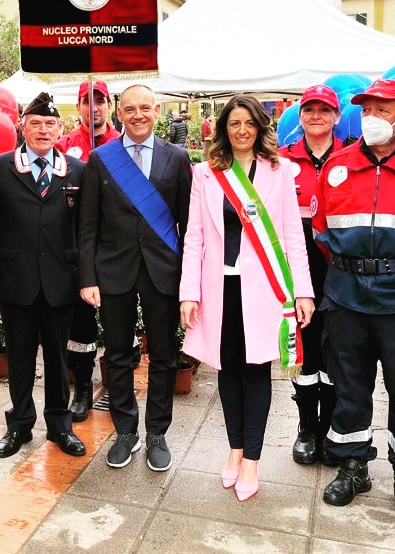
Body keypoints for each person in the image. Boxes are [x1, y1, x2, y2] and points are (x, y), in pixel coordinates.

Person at [313, 78, 395, 525]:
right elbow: (324, 232)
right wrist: (355, 272)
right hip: (347, 298)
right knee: (349, 389)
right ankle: (353, 466)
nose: (372, 118)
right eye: (366, 110)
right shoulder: (336, 167)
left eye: (382, 110)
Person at [180, 94, 314, 502]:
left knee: (256, 369)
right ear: (223, 129)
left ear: (260, 128)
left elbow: (293, 235)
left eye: (249, 124)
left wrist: (303, 291)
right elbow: (195, 237)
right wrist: (189, 293)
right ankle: (234, 450)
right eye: (234, 123)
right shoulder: (205, 174)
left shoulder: (279, 171)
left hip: (267, 289)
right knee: (227, 370)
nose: (241, 130)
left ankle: (252, 458)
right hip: (219, 286)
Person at [79, 84, 192, 472]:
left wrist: (190, 281)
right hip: (114, 271)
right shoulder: (100, 158)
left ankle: (157, 432)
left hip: (163, 270)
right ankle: (126, 431)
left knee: (163, 355)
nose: (138, 115)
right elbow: (87, 225)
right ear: (117, 112)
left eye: (145, 107)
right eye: (130, 109)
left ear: (157, 110)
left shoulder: (177, 158)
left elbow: (188, 225)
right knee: (117, 355)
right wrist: (87, 277)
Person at [0, 92, 87, 459]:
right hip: (17, 279)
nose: (43, 130)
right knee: (20, 356)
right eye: (36, 123)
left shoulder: (77, 170)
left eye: (50, 124)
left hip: (60, 281)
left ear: (61, 129)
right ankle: (20, 425)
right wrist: (14, 254)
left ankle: (60, 426)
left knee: (58, 358)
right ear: (22, 126)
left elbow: (83, 226)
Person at [278, 84, 344, 467]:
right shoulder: (282, 161)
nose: (316, 115)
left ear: (336, 116)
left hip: (341, 273)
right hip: (296, 272)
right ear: (299, 116)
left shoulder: (353, 158)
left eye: (324, 109)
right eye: (309, 109)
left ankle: (331, 426)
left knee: (337, 350)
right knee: (304, 352)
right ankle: (306, 428)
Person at [55, 80, 121, 422]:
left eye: (99, 101)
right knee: (79, 328)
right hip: (78, 254)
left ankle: (118, 388)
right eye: (86, 101)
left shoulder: (123, 145)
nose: (93, 107)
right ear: (78, 106)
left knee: (118, 324)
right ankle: (83, 386)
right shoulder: (65, 147)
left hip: (118, 254)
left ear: (109, 105)